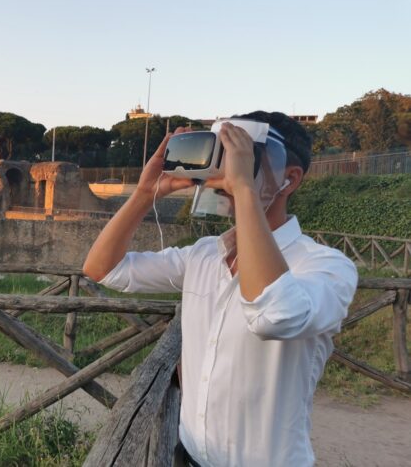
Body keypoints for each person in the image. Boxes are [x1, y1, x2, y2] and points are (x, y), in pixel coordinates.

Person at [83, 112, 358, 467]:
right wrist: (144, 194)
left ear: (289, 179)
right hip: (189, 457)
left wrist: (244, 190)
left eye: (241, 158)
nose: (226, 173)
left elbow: (273, 314)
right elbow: (104, 269)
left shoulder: (327, 267)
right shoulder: (204, 255)